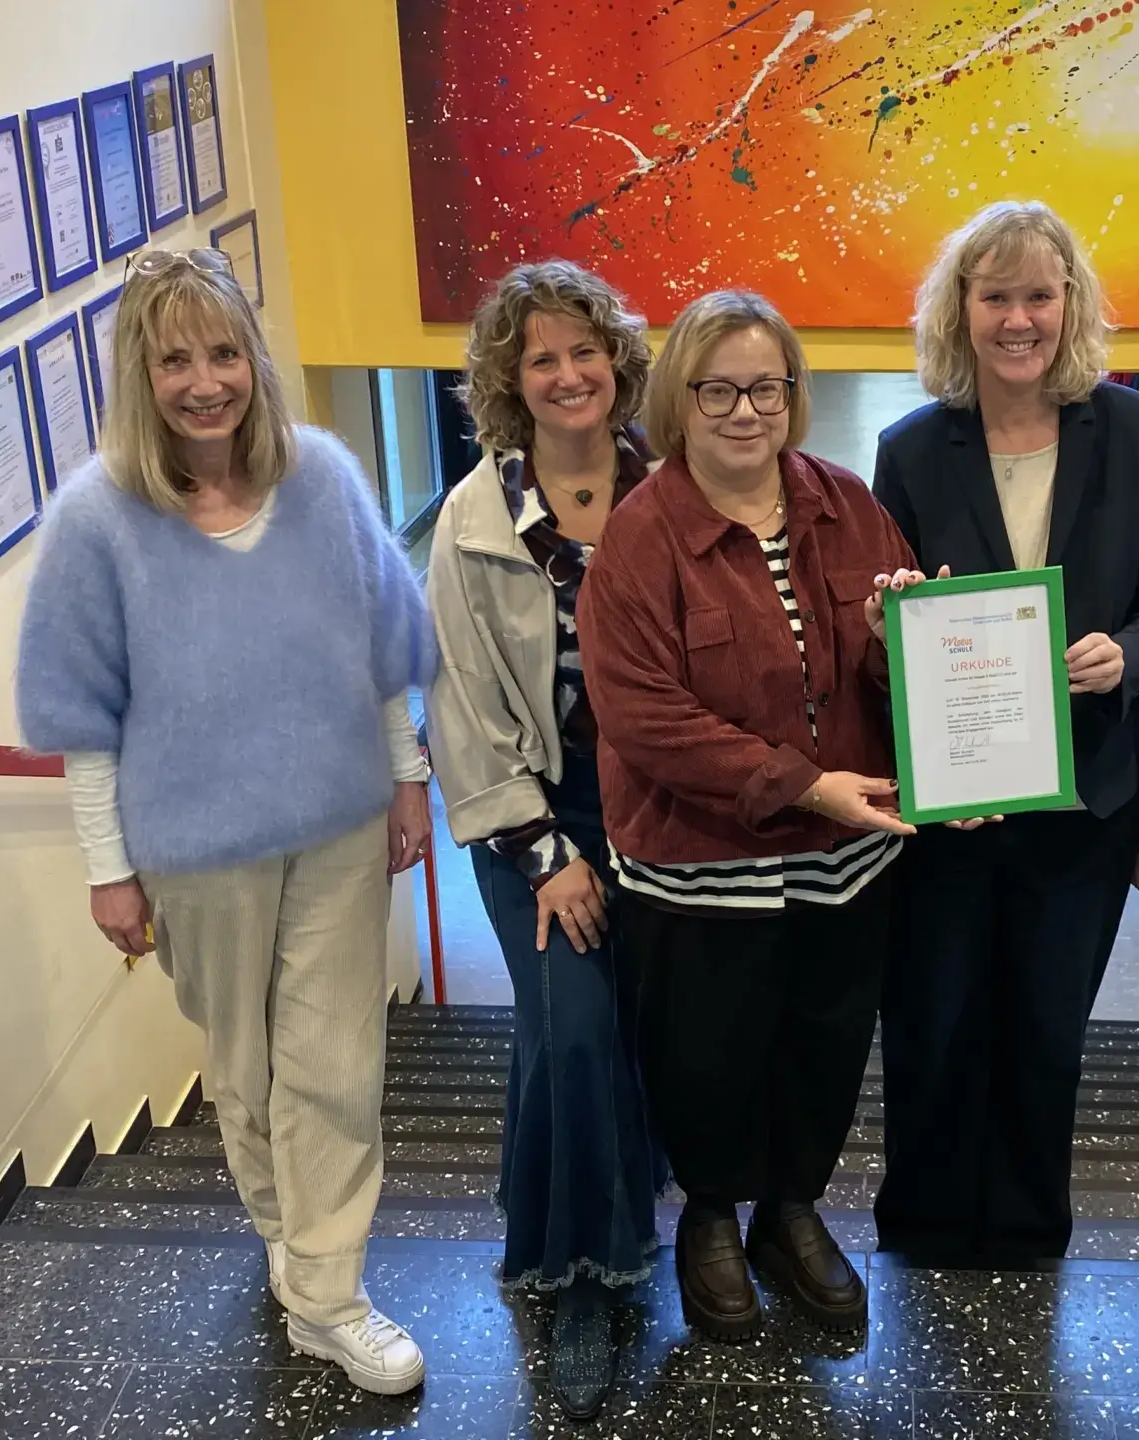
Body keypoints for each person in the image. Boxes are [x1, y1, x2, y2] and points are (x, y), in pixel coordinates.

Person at [15, 248, 436, 1395]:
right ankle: (288, 1240)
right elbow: (84, 719)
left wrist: (408, 774)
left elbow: (383, 644)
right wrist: (107, 869)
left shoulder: (322, 480)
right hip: (195, 851)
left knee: (333, 1063)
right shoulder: (97, 521)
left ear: (254, 357)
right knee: (245, 1071)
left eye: (223, 352)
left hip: (337, 823)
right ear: (139, 376)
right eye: (174, 361)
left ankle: (329, 1296)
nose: (205, 383)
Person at [577, 290, 919, 1342]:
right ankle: (712, 1217)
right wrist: (800, 783)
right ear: (679, 401)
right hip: (701, 866)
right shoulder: (641, 537)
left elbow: (881, 679)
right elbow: (644, 716)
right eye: (716, 390)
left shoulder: (847, 504)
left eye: (764, 388)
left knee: (824, 1045)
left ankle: (791, 1210)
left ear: (793, 395)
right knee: (707, 1055)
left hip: (842, 862)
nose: (743, 412)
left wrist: (895, 640)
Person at [870, 201, 1139, 1261]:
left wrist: (1127, 655)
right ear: (959, 310)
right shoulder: (912, 449)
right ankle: (922, 1227)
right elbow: (884, 630)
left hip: (1084, 799)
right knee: (933, 1020)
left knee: (1048, 1029)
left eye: (1039, 296)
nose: (1019, 319)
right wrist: (891, 614)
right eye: (996, 295)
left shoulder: (1136, 433)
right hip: (954, 803)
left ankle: (1024, 1230)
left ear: (1071, 305)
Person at [424, 260, 661, 1421]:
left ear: (616, 360)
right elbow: (461, 709)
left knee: (607, 1034)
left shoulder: (671, 493)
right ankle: (584, 1281)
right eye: (541, 359)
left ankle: (549, 1215)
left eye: (584, 349)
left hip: (663, 814)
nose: (568, 374)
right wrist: (547, 859)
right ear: (510, 383)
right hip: (537, 822)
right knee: (572, 1034)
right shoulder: (473, 524)